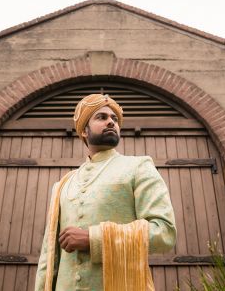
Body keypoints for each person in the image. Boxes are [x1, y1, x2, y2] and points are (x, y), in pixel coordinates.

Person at [35, 94, 176, 291]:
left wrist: (94, 239)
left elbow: (164, 232)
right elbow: (48, 256)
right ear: (84, 131)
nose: (111, 121)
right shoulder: (62, 184)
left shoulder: (138, 167)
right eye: (101, 117)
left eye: (114, 119)